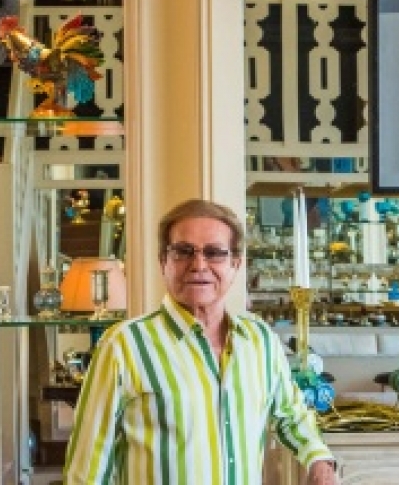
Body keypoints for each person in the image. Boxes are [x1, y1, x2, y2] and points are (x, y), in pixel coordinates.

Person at [64, 198, 337, 484]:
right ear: (163, 262)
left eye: (214, 253)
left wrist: (319, 460)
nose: (198, 265)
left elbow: (291, 416)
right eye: (183, 252)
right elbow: (87, 468)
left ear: (235, 264)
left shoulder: (260, 341)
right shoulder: (123, 346)